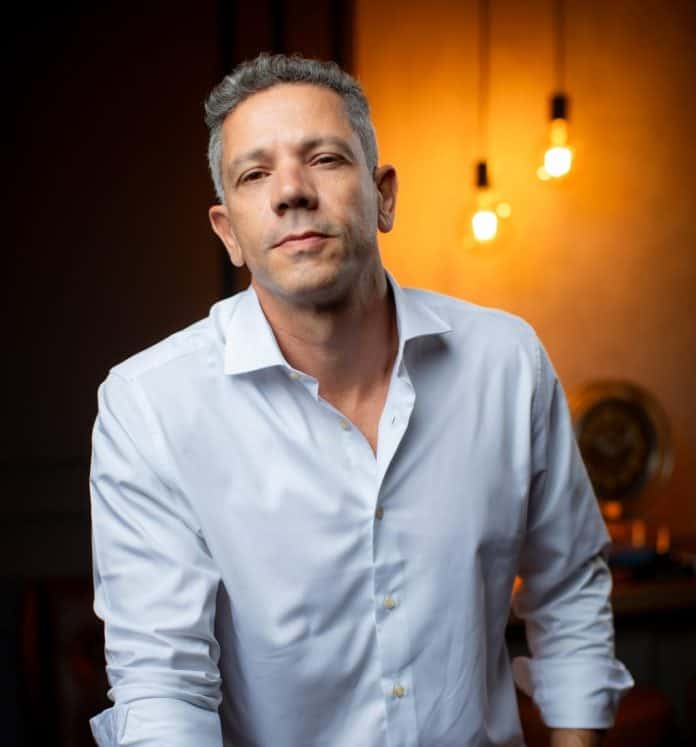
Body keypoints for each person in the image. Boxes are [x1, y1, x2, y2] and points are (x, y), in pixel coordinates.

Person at [89, 53, 633, 747]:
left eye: (323, 158)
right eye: (255, 174)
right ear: (228, 233)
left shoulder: (506, 362)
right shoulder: (150, 406)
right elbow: (164, 688)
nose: (292, 191)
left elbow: (569, 588)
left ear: (384, 197)